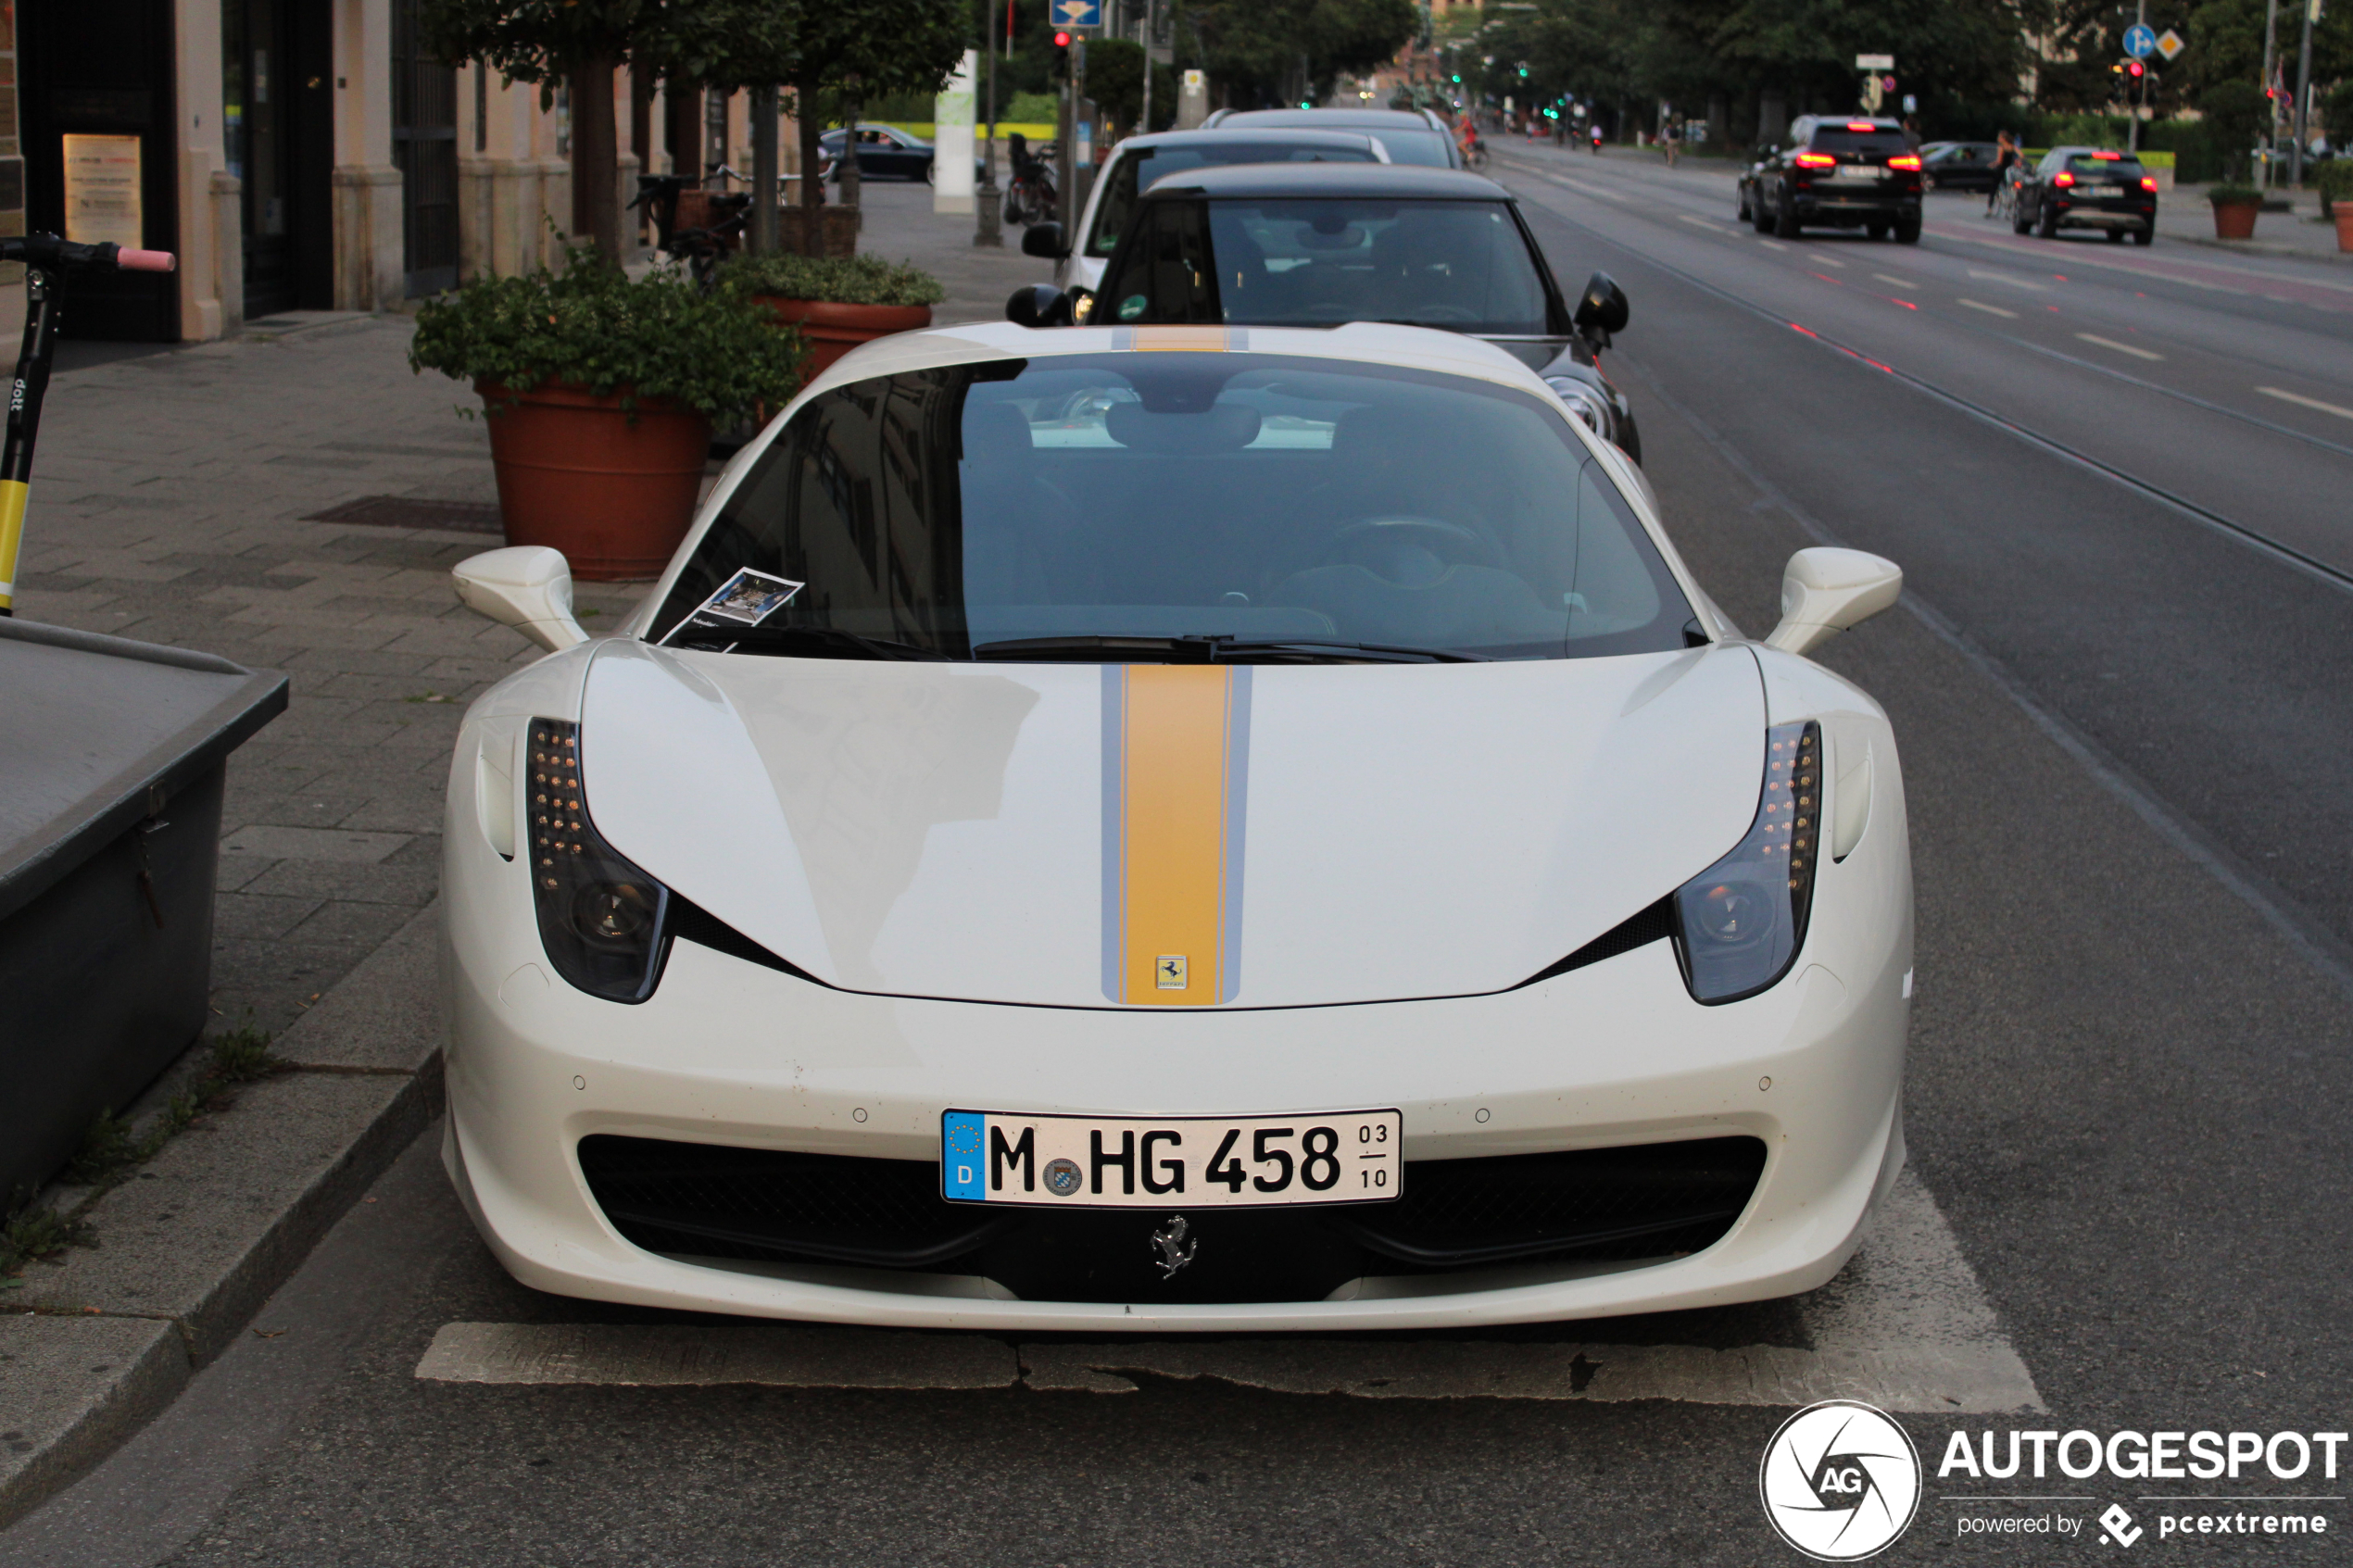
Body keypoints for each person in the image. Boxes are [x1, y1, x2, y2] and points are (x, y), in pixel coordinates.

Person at [1986, 130, 2020, 217]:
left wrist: (1992, 164)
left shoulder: (2001, 147)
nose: (1998, 139)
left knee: (1993, 189)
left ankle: (1989, 209)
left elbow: (1999, 161)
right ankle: (2009, 208)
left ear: (2003, 139)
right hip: (2009, 171)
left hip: (2001, 171)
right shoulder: (2012, 147)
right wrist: (2017, 161)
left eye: (1999, 137)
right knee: (2008, 188)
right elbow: (2021, 155)